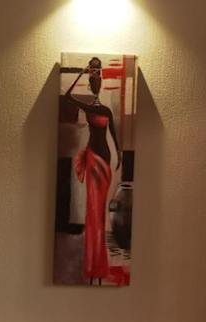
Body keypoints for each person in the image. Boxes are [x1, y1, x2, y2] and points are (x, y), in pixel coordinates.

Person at [64, 57, 121, 285]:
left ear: (101, 83)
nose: (96, 83)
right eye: (93, 80)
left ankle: (98, 266)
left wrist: (120, 156)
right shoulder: (88, 107)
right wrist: (82, 72)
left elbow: (114, 136)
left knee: (99, 212)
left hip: (104, 161)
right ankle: (92, 267)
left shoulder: (106, 110)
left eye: (98, 79)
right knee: (93, 211)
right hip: (93, 159)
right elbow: (68, 96)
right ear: (90, 84)